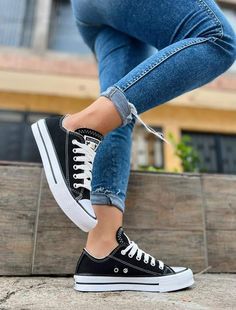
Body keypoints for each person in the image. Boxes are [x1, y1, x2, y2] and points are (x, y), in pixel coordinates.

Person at [32, 0, 236, 292]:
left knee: (118, 115)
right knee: (218, 39)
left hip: (89, 11)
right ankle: (77, 127)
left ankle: (104, 245)